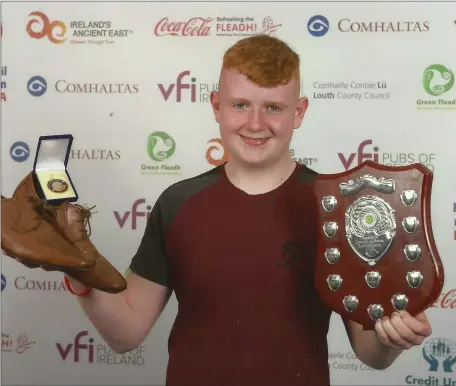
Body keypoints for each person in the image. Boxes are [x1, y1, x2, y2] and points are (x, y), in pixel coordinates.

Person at [66, 34, 432, 386]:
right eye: (240, 104)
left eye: (273, 107)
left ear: (299, 112)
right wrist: (76, 265)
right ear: (216, 106)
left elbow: (371, 352)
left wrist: (389, 337)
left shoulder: (339, 206)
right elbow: (125, 333)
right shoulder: (177, 203)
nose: (255, 124)